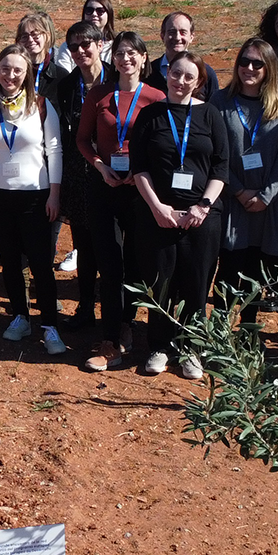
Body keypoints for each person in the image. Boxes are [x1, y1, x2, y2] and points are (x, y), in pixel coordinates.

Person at [129, 52, 229, 380]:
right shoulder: (150, 114)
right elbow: (139, 167)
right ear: (166, 74)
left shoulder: (212, 116)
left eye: (189, 76)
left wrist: (203, 206)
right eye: (175, 74)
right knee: (160, 283)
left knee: (196, 285)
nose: (180, 81)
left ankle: (191, 349)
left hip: (201, 218)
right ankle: (159, 346)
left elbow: (221, 167)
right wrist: (157, 207)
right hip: (159, 216)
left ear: (199, 81)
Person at [75, 30, 165, 372]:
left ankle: (133, 328)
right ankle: (110, 340)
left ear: (144, 59)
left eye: (132, 53)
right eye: (120, 53)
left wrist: (140, 173)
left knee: (139, 265)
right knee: (109, 265)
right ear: (112, 59)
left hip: (141, 192)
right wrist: (100, 167)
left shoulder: (156, 98)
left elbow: (163, 147)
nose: (125, 59)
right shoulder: (98, 94)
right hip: (105, 188)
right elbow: (83, 141)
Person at [0, 45, 65, 355]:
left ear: (27, 74)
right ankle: (20, 317)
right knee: (10, 261)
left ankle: (49, 325)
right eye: (5, 69)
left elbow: (55, 150)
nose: (10, 75)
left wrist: (54, 193)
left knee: (40, 263)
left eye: (17, 70)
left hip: (36, 197)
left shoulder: (40, 106)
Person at [212, 39, 278, 312]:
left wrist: (266, 195)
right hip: (233, 202)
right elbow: (216, 155)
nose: (249, 68)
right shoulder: (220, 102)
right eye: (244, 62)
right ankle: (219, 336)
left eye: (257, 63)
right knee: (229, 273)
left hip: (269, 206)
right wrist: (238, 190)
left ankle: (250, 335)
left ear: (269, 67)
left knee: (262, 275)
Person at [52, 20, 108, 328]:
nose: (80, 51)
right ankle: (85, 308)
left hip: (115, 175)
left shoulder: (117, 78)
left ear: (100, 44)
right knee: (84, 246)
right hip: (78, 174)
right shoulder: (66, 86)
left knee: (114, 248)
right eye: (73, 46)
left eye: (86, 44)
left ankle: (117, 315)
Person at [143, 12, 222, 95]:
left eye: (183, 32)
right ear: (162, 36)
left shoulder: (205, 73)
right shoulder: (148, 72)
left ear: (191, 37)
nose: (177, 38)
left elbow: (214, 106)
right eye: (172, 32)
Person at [46, 0, 114, 75]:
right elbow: (65, 76)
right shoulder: (68, 47)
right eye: (89, 10)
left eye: (100, 11)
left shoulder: (115, 47)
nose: (94, 14)